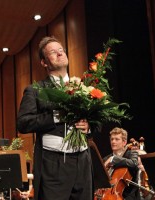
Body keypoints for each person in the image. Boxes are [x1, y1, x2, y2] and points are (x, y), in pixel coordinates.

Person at [17, 36, 98, 200]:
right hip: (53, 164)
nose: (59, 54)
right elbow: (23, 123)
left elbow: (98, 120)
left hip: (83, 163)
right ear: (44, 62)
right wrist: (55, 116)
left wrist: (89, 126)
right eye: (53, 52)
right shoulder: (35, 90)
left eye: (61, 50)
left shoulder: (84, 87)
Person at [103, 127, 140, 200]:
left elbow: (134, 163)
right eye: (112, 139)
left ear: (124, 142)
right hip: (107, 194)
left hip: (128, 196)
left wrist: (113, 159)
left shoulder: (131, 154)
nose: (113, 142)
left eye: (117, 139)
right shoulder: (105, 159)